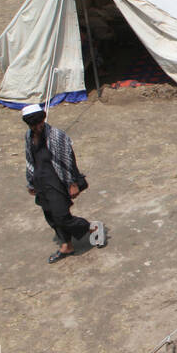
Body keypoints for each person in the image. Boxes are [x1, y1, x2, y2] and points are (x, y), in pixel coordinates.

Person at [21, 104, 104, 264]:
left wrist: (72, 183)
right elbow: (29, 160)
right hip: (41, 182)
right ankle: (67, 245)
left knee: (62, 216)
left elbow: (68, 160)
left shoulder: (56, 136)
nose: (37, 127)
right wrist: (31, 182)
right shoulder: (28, 136)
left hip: (56, 182)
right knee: (50, 216)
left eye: (39, 123)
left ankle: (92, 228)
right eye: (33, 124)